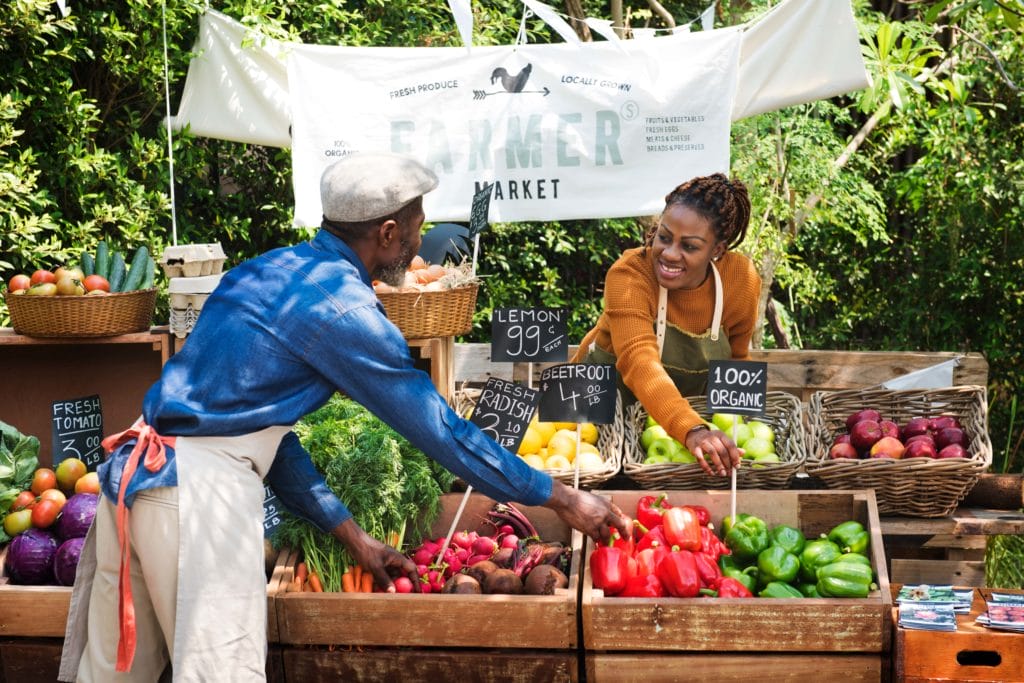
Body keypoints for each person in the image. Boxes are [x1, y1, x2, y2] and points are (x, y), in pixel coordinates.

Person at [58, 152, 632, 682]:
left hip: (134, 484)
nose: (421, 238)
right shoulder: (347, 311)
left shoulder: (262, 273)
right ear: (387, 234)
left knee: (112, 673)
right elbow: (443, 433)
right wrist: (561, 497)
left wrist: (353, 537)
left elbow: (265, 437)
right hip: (196, 500)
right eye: (417, 226)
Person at [573, 173, 762, 477]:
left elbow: (736, 360)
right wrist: (692, 430)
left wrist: (745, 435)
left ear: (717, 249)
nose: (670, 254)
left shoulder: (741, 279)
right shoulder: (630, 274)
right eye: (664, 237)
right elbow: (638, 360)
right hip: (591, 422)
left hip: (668, 435)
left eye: (689, 246)